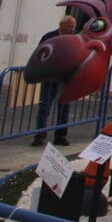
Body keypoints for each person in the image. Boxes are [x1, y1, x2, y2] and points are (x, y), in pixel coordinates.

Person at [32, 14, 76, 146]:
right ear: (61, 25)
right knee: (44, 108)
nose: (72, 29)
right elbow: (39, 54)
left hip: (65, 79)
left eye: (73, 27)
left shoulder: (74, 39)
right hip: (50, 78)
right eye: (69, 26)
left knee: (64, 109)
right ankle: (40, 135)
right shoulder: (49, 37)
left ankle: (61, 135)